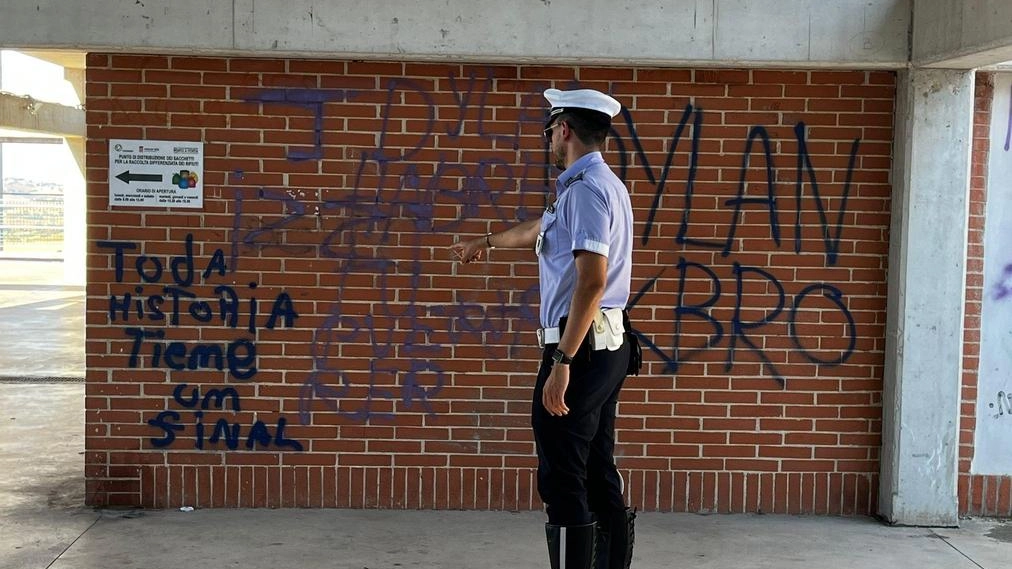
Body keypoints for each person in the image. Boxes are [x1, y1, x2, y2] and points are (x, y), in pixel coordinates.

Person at [450, 88, 641, 569]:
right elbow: (542, 228)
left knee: (562, 476)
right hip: (605, 343)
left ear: (564, 130)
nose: (548, 142)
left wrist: (562, 363)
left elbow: (592, 281)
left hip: (582, 348)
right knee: (597, 468)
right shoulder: (600, 185)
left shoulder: (584, 191)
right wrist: (487, 242)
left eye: (549, 132)